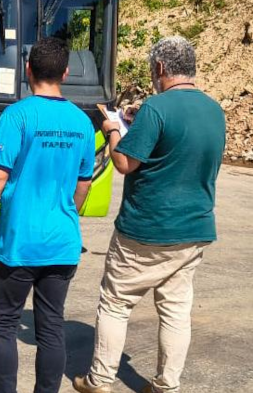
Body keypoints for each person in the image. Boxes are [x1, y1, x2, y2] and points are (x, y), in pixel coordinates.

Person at [73, 36, 226, 393]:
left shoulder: (158, 108)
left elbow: (125, 162)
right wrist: (137, 120)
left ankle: (100, 379)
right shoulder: (213, 109)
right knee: (175, 310)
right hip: (195, 228)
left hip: (146, 229)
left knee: (115, 302)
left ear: (159, 68)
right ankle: (166, 385)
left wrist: (113, 129)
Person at [0, 37, 95, 393]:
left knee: (4, 324)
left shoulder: (17, 115)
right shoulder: (83, 122)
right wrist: (68, 211)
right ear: (66, 73)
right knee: (52, 327)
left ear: (28, 70)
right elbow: (83, 184)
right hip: (63, 242)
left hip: (20, 242)